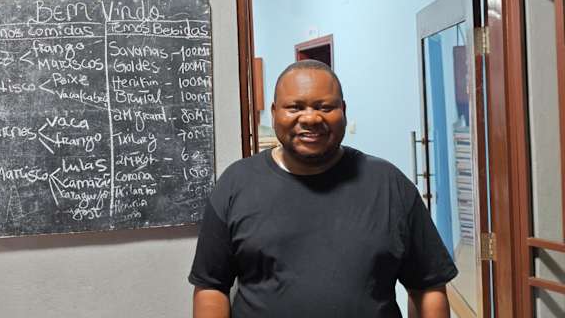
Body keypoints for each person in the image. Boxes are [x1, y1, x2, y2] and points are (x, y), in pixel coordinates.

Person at [189, 60, 457, 318]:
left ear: (344, 110)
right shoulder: (236, 184)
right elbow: (211, 286)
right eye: (295, 107)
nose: (311, 118)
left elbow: (427, 285)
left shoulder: (389, 184)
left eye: (325, 107)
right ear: (274, 112)